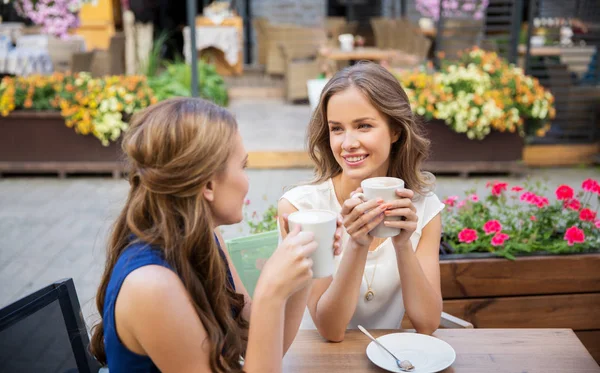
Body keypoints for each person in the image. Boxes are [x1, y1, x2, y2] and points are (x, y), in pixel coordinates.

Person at [89, 97, 341, 372]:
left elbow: (261, 344)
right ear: (208, 184)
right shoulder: (151, 285)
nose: (247, 182)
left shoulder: (206, 237)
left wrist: (304, 266)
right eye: (243, 167)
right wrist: (270, 292)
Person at [278, 62, 444, 342]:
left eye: (363, 126)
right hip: (313, 358)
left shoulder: (424, 209)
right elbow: (330, 330)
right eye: (337, 129)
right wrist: (357, 243)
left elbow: (427, 323)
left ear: (395, 130)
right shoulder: (301, 210)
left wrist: (403, 243)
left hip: (386, 360)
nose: (348, 143)